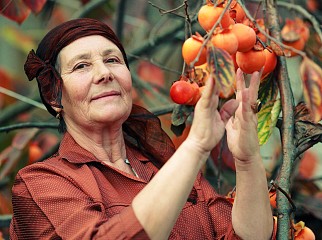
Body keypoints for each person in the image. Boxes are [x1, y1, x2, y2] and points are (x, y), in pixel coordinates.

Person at [10, 18, 275, 240]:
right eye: (82, 66)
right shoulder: (41, 183)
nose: (105, 73)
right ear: (54, 97)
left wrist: (247, 159)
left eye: (112, 60)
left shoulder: (164, 169)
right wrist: (195, 146)